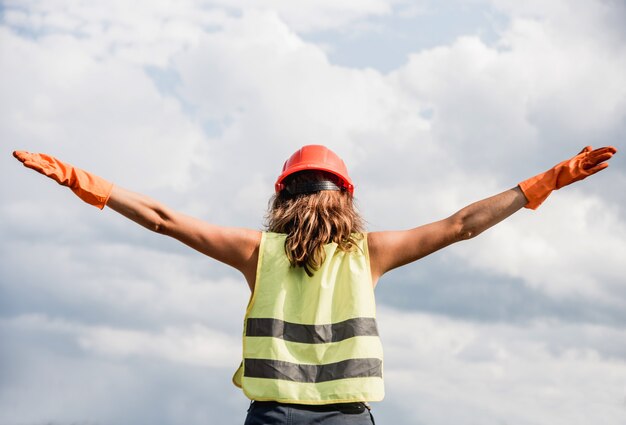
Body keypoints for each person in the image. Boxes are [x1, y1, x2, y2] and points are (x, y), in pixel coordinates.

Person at [12, 144, 617, 424]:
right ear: (347, 198)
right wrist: (546, 181)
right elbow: (462, 225)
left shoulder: (257, 251)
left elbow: (163, 219)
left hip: (272, 417)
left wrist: (79, 178)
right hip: (346, 420)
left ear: (280, 196)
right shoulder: (371, 253)